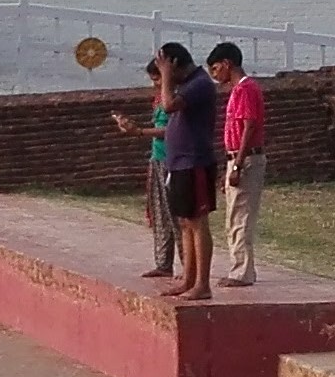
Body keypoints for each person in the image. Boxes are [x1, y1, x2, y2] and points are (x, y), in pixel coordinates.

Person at [111, 43, 216, 289]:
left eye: (163, 68)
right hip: (178, 162)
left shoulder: (199, 84)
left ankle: (202, 284)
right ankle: (189, 281)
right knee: (185, 222)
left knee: (198, 223)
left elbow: (168, 106)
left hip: (195, 161)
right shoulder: (185, 87)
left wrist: (167, 76)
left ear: (175, 64)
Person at [207, 42, 265, 286]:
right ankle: (240, 267)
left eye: (216, 68)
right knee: (234, 215)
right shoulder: (237, 91)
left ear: (227, 64)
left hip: (246, 158)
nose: (214, 74)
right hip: (237, 157)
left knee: (240, 217)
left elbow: (249, 126)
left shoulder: (246, 90)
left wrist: (238, 165)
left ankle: (241, 271)